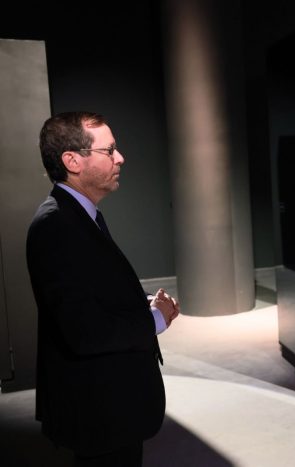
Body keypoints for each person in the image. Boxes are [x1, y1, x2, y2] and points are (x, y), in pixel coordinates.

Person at [26, 112, 180, 466]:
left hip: (112, 405)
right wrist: (155, 319)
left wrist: (141, 303)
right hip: (99, 409)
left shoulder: (79, 215)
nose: (120, 158)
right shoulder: (55, 225)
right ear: (72, 161)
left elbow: (89, 291)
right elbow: (83, 331)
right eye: (109, 150)